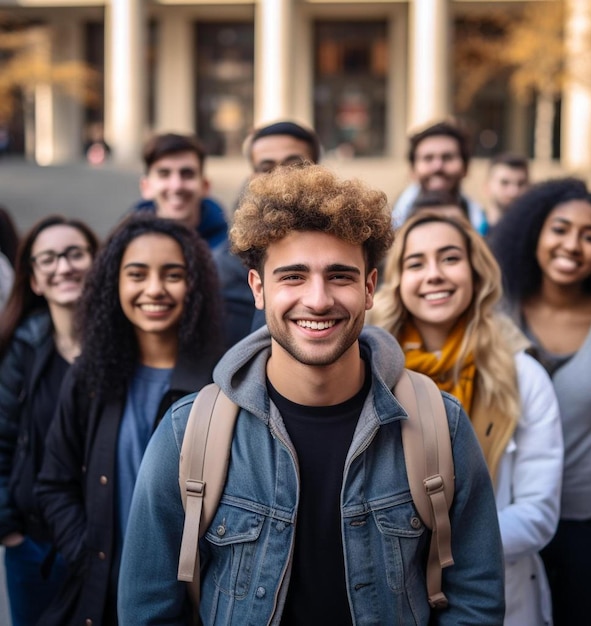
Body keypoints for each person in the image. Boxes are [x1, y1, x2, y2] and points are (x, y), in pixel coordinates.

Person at [118, 165, 505, 625]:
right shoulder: (188, 433)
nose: (318, 300)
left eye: (339, 276)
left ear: (369, 288)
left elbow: (476, 601)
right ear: (258, 289)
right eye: (293, 277)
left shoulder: (441, 425)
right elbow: (148, 610)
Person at [369, 211, 563, 625]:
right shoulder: (367, 372)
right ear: (396, 280)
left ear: (477, 273)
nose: (434, 274)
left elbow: (538, 514)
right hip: (388, 597)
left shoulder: (522, 376)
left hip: (500, 596)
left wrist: (425, 547)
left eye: (450, 258)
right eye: (416, 263)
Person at [35, 214, 224, 626]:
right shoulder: (90, 375)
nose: (154, 289)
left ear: (195, 285)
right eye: (137, 274)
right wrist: (90, 551)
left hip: (191, 604)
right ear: (114, 284)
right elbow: (54, 482)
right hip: (101, 595)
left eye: (173, 275)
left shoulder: (223, 381)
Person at [489, 177, 591, 625]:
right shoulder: (495, 313)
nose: (573, 245)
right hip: (506, 523)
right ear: (534, 233)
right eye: (560, 229)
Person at [0, 216, 98, 626]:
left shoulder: (126, 349)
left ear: (97, 264)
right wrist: (9, 530)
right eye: (49, 259)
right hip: (33, 546)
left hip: (104, 546)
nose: (64, 266)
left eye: (75, 254)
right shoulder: (23, 348)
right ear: (35, 280)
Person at [213, 120, 323, 349]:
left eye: (294, 165)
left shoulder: (352, 246)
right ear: (252, 178)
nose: (280, 176)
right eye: (267, 168)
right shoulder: (222, 265)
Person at [392, 119, 488, 235]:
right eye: (428, 158)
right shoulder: (390, 224)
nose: (438, 167)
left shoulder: (482, 223)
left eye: (447, 157)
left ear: (466, 168)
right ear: (412, 170)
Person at [134, 132, 229, 249]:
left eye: (187, 174)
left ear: (205, 186)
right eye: (164, 174)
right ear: (146, 187)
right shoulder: (124, 248)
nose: (176, 186)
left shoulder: (233, 253)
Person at [483, 153, 530, 228]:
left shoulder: (537, 234)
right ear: (487, 187)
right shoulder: (472, 231)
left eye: (521, 184)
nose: (514, 192)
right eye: (504, 183)